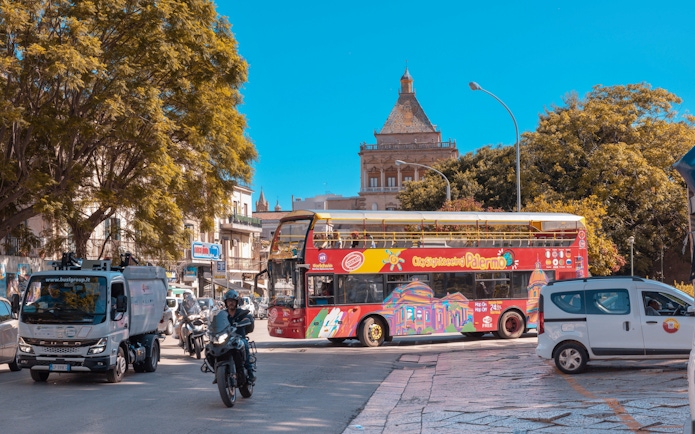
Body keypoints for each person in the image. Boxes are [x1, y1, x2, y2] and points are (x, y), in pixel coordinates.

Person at [223, 289, 256, 382]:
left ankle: (250, 372)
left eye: (233, 301)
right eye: (229, 301)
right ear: (226, 302)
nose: (231, 303)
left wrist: (245, 321)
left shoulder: (241, 313)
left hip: (238, 337)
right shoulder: (223, 314)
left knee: (244, 344)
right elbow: (215, 321)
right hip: (225, 339)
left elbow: (248, 318)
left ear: (236, 302)